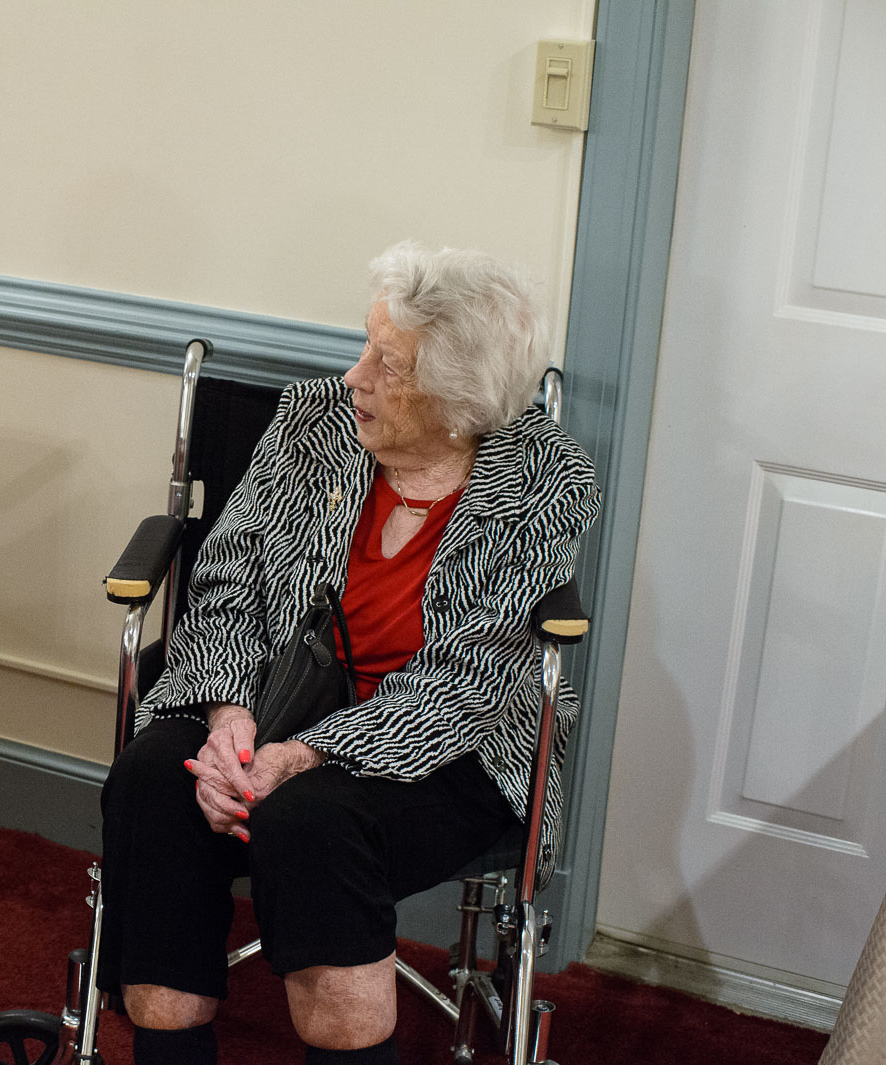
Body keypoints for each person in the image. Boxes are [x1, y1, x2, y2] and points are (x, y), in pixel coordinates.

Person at [97, 242, 601, 1064]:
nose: (353, 377)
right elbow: (226, 580)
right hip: (271, 697)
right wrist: (229, 719)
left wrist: (299, 756)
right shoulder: (312, 423)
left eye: (386, 364)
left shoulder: (545, 480)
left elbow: (467, 681)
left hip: (454, 746)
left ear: (458, 396)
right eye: (365, 344)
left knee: (310, 821)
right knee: (157, 780)